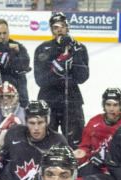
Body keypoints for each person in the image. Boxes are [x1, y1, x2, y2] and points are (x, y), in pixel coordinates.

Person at [34, 12, 89, 147]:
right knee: (45, 143)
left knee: (74, 143)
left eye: (62, 26)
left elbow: (82, 77)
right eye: (55, 27)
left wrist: (74, 53)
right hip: (48, 100)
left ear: (67, 27)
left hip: (72, 100)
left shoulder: (79, 48)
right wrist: (58, 67)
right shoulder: (43, 49)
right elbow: (40, 80)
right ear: (51, 29)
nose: (59, 29)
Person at [0, 18, 31, 107]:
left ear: (8, 32)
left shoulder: (19, 47)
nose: (2, 36)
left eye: (5, 33)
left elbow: (25, 63)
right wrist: (8, 47)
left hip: (19, 93)